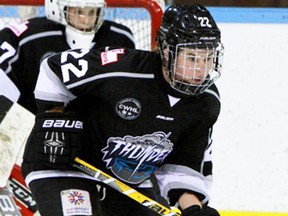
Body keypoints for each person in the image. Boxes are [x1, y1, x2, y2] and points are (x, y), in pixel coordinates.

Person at [22, 4, 224, 216]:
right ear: (167, 51)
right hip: (62, 165)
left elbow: (182, 167)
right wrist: (54, 121)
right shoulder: (123, 68)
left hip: (128, 184)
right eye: (192, 58)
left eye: (208, 58)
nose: (200, 69)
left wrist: (193, 209)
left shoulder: (205, 103)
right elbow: (53, 68)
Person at [0, 0, 135, 114]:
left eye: (92, 12)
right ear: (58, 8)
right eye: (78, 12)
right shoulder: (28, 38)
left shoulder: (120, 39)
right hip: (36, 132)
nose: (85, 20)